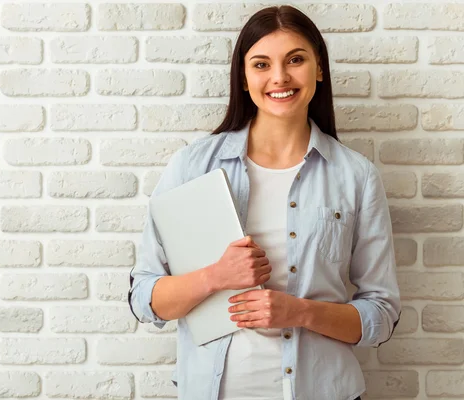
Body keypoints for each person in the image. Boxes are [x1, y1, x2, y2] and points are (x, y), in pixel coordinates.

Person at [128, 5, 401, 400]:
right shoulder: (193, 166)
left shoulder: (356, 176)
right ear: (243, 77)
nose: (279, 77)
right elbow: (145, 299)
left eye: (295, 60)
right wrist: (216, 276)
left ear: (319, 68)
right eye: (261, 64)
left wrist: (299, 312)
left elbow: (381, 313)